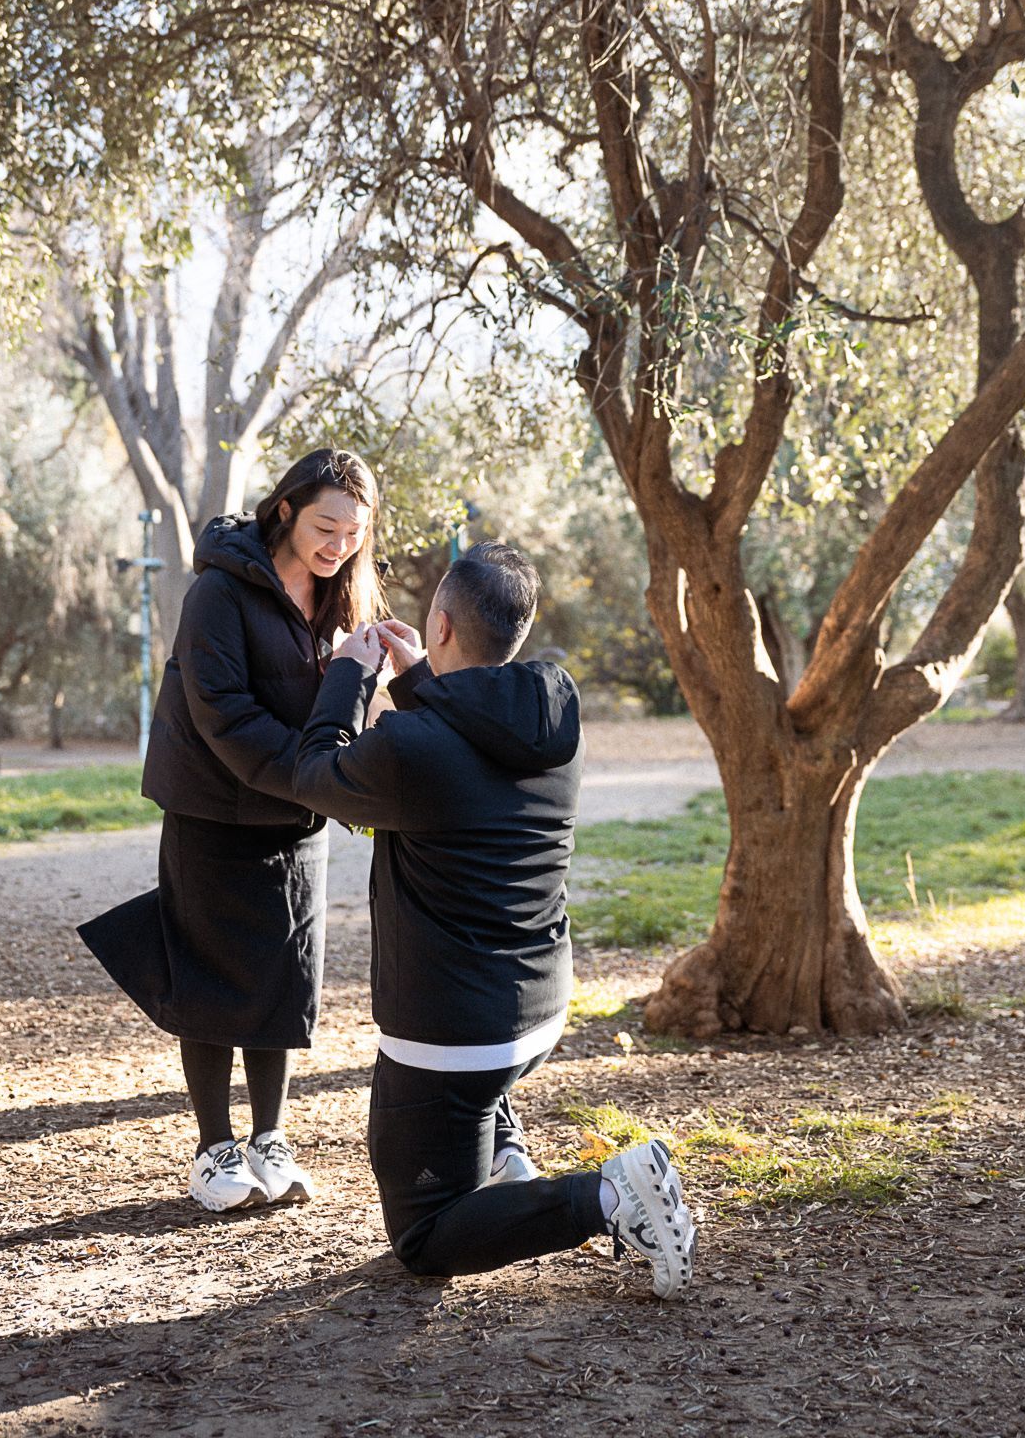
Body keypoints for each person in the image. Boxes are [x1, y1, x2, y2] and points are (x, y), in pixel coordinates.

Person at [228, 542, 698, 1294]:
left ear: (438, 624)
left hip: (452, 1037)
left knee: (423, 1236)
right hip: (539, 1009)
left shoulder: (411, 748)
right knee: (465, 1121)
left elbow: (314, 776)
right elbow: (467, 749)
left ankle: (607, 1194)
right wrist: (417, 679)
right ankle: (504, 1158)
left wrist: (350, 675)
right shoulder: (554, 711)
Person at [78, 447, 387, 1214]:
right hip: (213, 811)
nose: (338, 544)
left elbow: (341, 712)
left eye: (353, 532)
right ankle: (214, 1149)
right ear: (283, 510)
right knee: (212, 976)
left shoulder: (342, 595)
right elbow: (225, 716)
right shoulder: (218, 591)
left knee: (284, 976)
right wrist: (317, 776)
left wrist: (369, 673)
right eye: (324, 526)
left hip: (294, 813)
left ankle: (269, 1140)